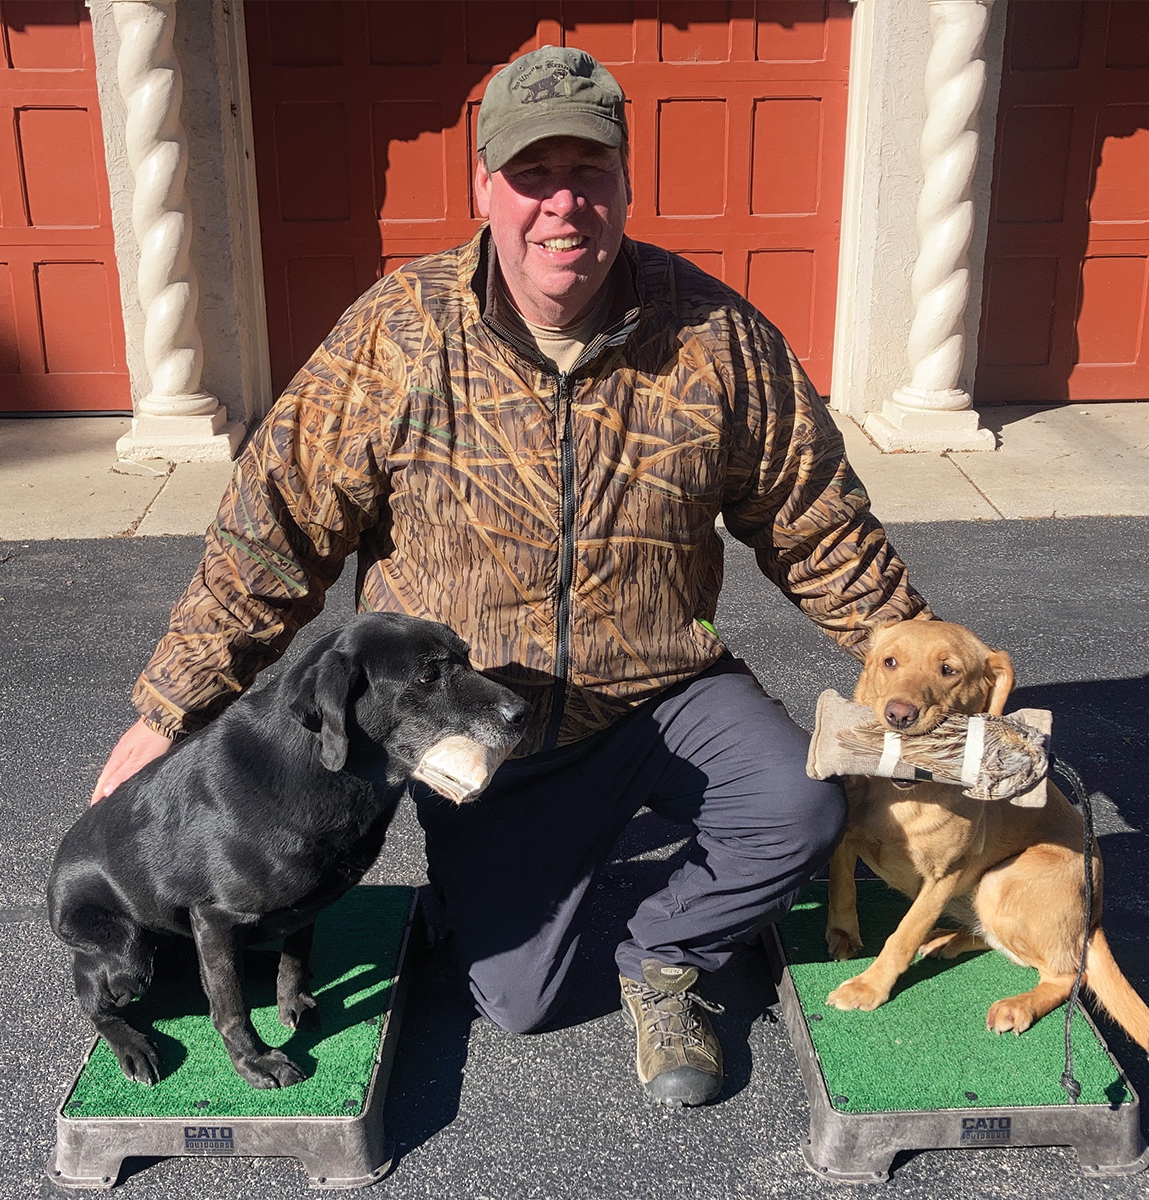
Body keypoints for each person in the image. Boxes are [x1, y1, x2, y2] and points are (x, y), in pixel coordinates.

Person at [92, 46, 930, 1108]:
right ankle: (500, 890)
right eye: (534, 176)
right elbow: (273, 533)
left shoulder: (717, 337)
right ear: (486, 188)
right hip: (477, 724)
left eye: (590, 171)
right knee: (519, 998)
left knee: (800, 810)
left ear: (627, 182)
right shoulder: (399, 333)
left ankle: (668, 958)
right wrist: (168, 708)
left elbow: (818, 525)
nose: (563, 205)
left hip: (662, 688)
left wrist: (930, 671)